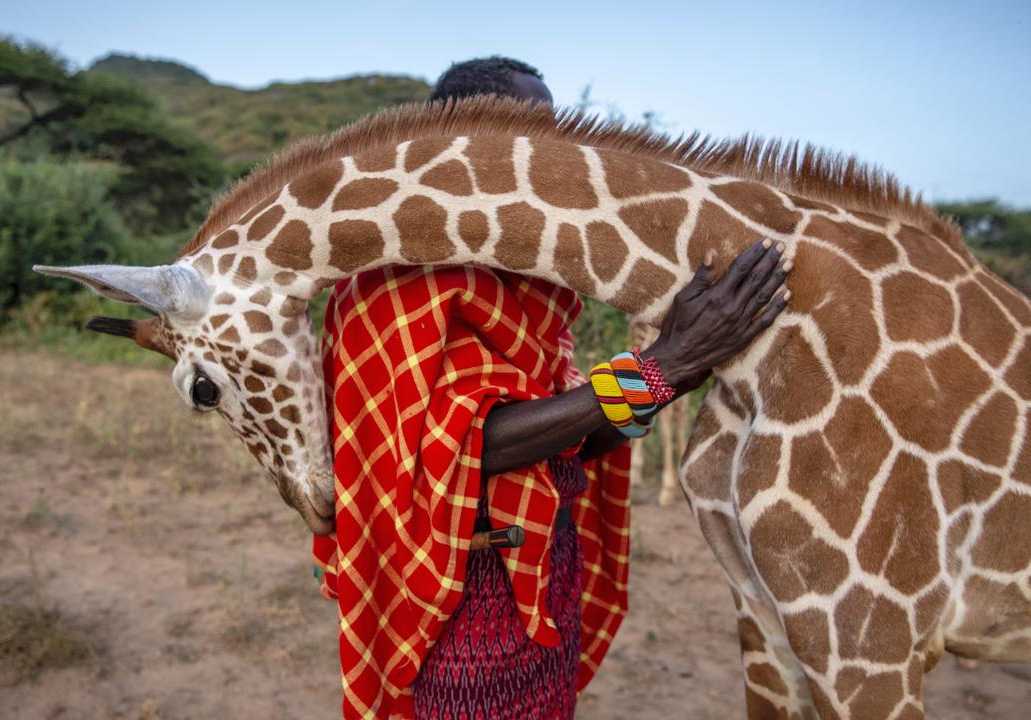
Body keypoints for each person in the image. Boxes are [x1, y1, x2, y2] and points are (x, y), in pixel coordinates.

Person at [311, 56, 791, 719]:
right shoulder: (388, 285)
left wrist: (679, 369)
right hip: (457, 598)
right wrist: (664, 366)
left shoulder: (533, 286)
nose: (557, 156)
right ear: (464, 140)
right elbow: (460, 445)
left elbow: (563, 440)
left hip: (542, 573)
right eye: (535, 133)